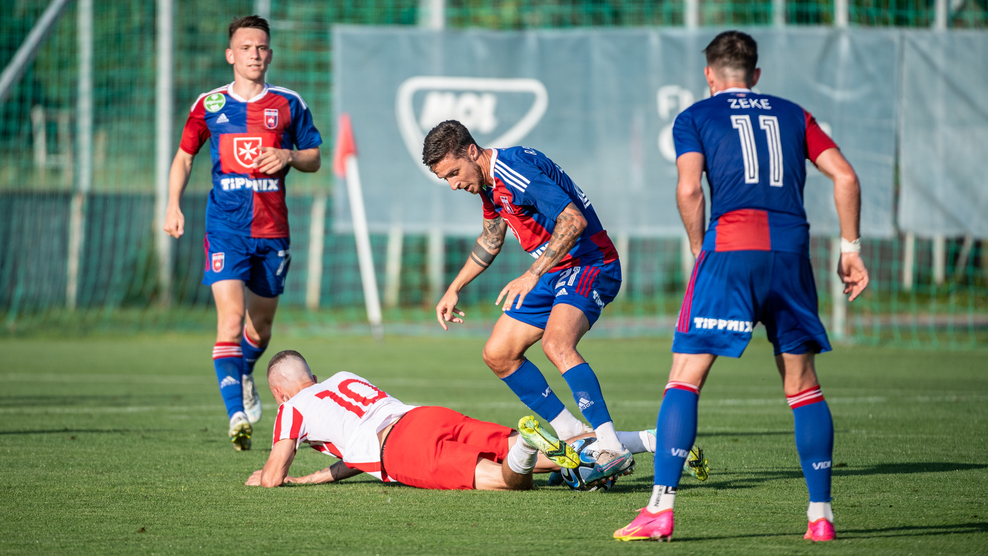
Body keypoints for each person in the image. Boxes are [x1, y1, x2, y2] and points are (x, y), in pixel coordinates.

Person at [614, 31, 869, 543]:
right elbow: (845, 177)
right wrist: (850, 249)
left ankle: (660, 509)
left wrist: (698, 249)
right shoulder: (794, 114)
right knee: (803, 385)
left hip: (730, 250)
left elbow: (690, 188)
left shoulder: (696, 116)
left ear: (709, 75)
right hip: (790, 253)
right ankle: (821, 516)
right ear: (755, 74)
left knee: (685, 378)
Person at [422, 121, 633, 489]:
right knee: (498, 353)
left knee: (557, 344)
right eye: (446, 180)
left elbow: (574, 220)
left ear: (472, 151)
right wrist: (454, 288)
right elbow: (491, 237)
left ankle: (611, 446)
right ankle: (573, 435)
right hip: (554, 270)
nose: (454, 185)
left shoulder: (514, 170)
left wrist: (532, 274)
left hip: (590, 263)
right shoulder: (488, 185)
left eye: (454, 173)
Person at [163, 15, 322, 451]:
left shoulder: (288, 103)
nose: (255, 54)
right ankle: (236, 414)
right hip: (225, 228)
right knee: (230, 320)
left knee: (261, 328)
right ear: (230, 55)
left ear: (270, 54)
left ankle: (245, 371)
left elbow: (313, 157)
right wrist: (173, 204)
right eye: (246, 47)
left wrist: (289, 156)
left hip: (272, 232)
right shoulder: (210, 104)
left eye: (262, 47)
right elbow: (184, 156)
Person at [245, 350, 658, 491]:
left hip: (401, 450)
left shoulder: (290, 408)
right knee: (541, 451)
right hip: (425, 416)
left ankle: (528, 449)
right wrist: (313, 478)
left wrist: (268, 477)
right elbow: (355, 447)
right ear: (312, 376)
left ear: (280, 392)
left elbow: (272, 476)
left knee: (503, 480)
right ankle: (624, 446)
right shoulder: (342, 378)